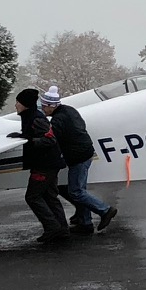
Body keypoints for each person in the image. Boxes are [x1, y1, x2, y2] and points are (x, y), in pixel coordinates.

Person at [40, 84, 117, 234]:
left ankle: (105, 210)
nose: (43, 109)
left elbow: (53, 140)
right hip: (85, 152)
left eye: (44, 106)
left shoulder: (57, 120)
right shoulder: (70, 110)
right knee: (77, 189)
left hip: (78, 157)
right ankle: (85, 222)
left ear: (51, 106)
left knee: (76, 191)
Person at [10, 87, 68, 242]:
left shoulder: (36, 119)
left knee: (32, 196)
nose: (15, 105)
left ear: (25, 104)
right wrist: (23, 136)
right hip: (50, 163)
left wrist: (30, 141)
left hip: (44, 165)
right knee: (50, 196)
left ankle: (52, 227)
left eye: (18, 102)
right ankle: (62, 229)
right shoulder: (31, 116)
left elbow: (49, 139)